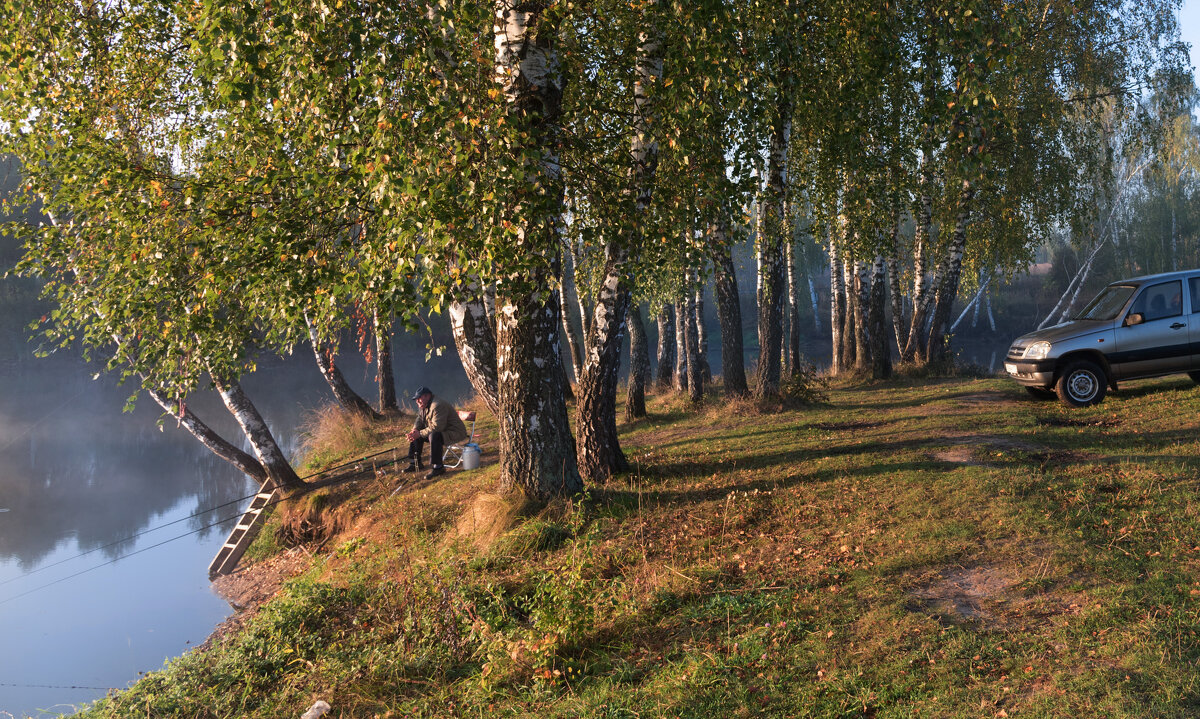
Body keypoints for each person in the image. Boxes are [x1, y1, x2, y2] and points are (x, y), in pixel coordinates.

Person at [404, 387, 468, 479]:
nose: (417, 401)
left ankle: (438, 467)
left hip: (454, 432)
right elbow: (420, 419)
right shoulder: (424, 404)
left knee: (434, 435)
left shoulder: (437, 405)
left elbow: (437, 427)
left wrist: (419, 433)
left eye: (419, 398)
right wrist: (414, 430)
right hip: (443, 430)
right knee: (417, 434)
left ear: (427, 396)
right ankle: (415, 463)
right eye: (416, 399)